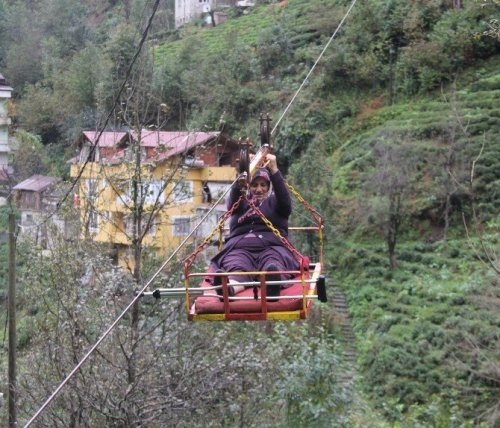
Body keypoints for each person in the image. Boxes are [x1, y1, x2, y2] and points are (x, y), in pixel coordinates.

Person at [209, 153, 299, 299]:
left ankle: (272, 286)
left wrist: (274, 170)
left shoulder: (276, 203)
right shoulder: (241, 203)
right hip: (240, 247)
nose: (259, 189)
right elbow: (232, 203)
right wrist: (242, 173)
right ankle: (229, 288)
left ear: (269, 187)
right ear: (249, 187)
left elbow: (286, 203)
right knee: (237, 265)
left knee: (273, 263)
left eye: (263, 185)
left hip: (272, 246)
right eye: (254, 185)